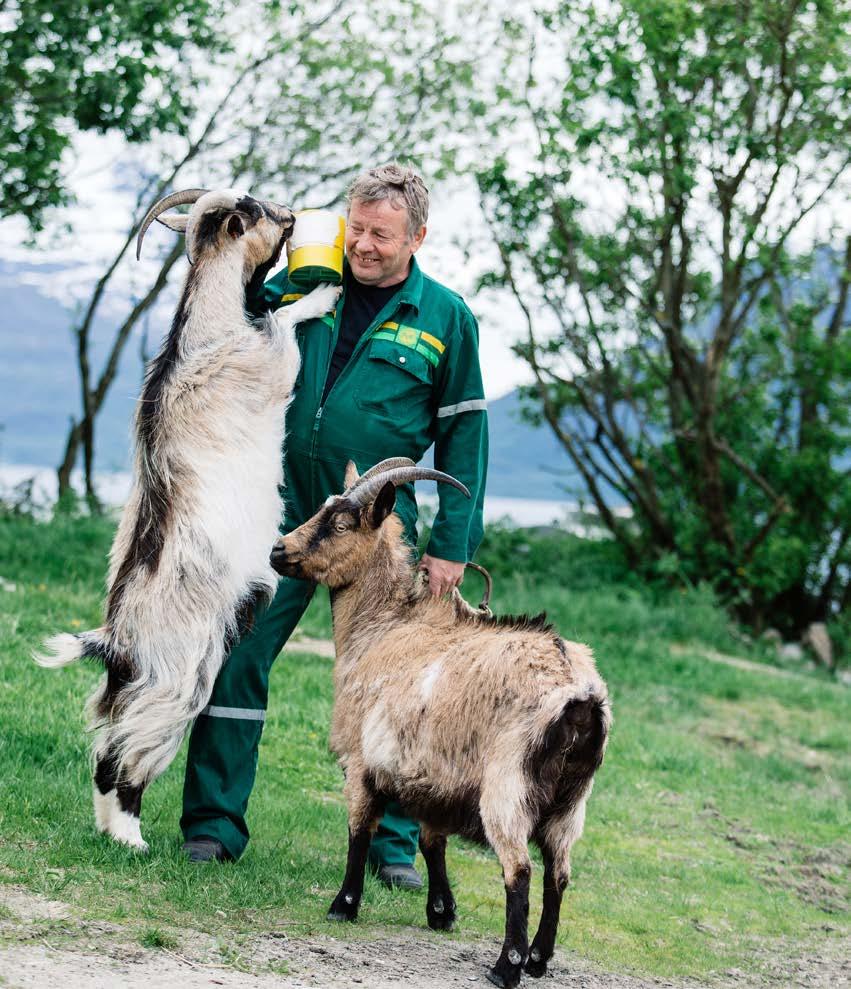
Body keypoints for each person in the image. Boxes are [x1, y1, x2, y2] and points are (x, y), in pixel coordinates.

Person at [180, 162, 488, 889]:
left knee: (400, 685)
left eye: (382, 235)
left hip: (381, 530)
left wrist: (451, 548)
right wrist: (268, 254)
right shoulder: (310, 281)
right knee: (239, 652)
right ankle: (213, 827)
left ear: (418, 235)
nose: (365, 245)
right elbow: (241, 307)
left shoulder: (445, 317)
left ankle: (392, 847)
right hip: (283, 508)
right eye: (356, 228)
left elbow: (464, 437)